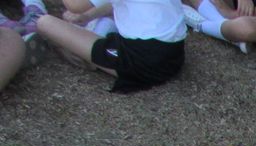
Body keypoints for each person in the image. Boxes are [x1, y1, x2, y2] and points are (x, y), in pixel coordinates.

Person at [35, 0, 185, 93]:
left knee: (45, 23)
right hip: (174, 55)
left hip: (140, 60)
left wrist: (83, 13)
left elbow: (75, 5)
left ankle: (87, 58)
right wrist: (88, 16)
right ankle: (96, 38)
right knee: (107, 17)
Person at [180, 0, 256, 54]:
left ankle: (201, 24)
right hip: (248, 6)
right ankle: (225, 27)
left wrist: (230, 13)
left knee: (245, 29)